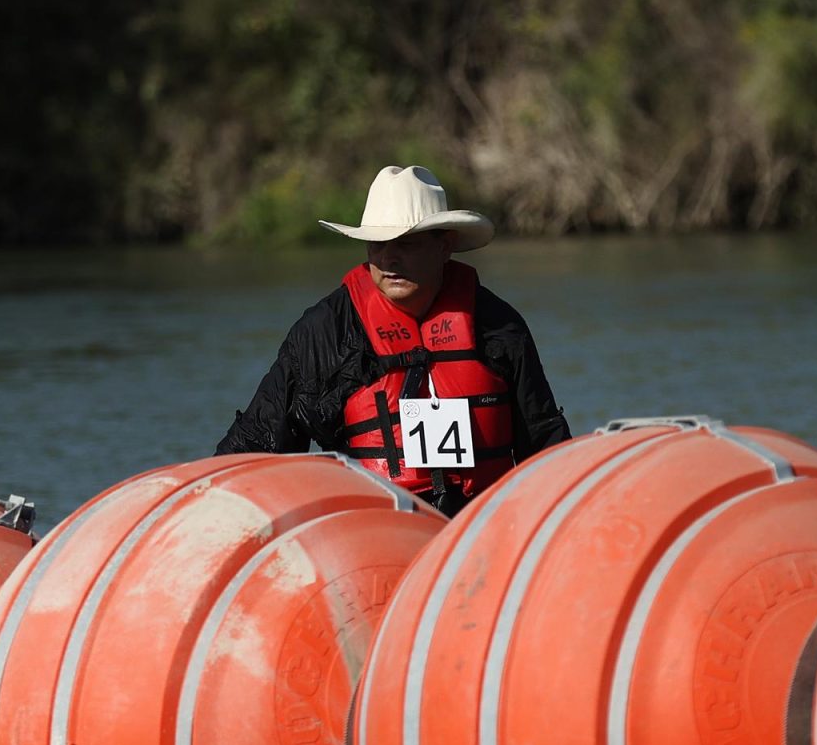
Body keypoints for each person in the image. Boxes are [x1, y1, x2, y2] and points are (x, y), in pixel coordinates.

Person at [215, 164, 571, 515]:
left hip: (481, 534)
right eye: (378, 244)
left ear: (444, 246)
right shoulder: (326, 332)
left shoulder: (499, 326)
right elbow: (257, 446)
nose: (388, 258)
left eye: (406, 243)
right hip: (376, 537)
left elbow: (545, 447)